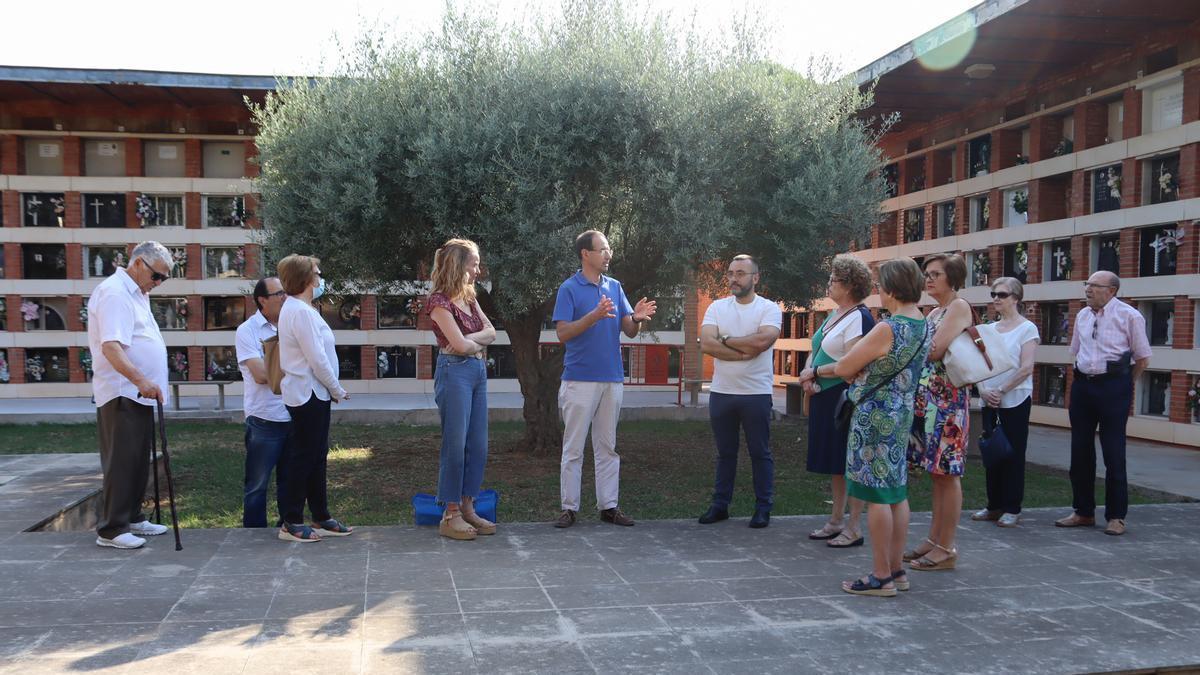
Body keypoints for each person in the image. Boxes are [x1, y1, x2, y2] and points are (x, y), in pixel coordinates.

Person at [818, 257, 928, 597]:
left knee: (876, 495)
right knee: (897, 493)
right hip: (902, 415)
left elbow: (846, 365)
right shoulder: (923, 324)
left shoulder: (888, 327)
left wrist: (816, 372)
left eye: (881, 285)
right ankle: (897, 570)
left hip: (874, 417)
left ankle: (880, 576)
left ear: (891, 289)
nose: (878, 291)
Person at [552, 230, 656, 528]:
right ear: (586, 254)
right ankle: (569, 508)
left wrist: (635, 318)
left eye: (609, 249)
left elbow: (628, 329)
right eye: (603, 249)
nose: (608, 254)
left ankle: (608, 507)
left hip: (612, 379)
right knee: (573, 447)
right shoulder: (569, 288)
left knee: (607, 446)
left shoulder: (615, 286)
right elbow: (563, 333)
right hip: (579, 380)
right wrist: (593, 317)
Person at [87, 241, 174, 549]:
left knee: (138, 458)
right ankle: (111, 529)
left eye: (163, 278)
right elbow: (111, 347)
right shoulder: (115, 293)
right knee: (122, 459)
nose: (158, 283)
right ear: (138, 263)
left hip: (138, 393)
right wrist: (140, 379)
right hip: (123, 390)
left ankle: (133, 516)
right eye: (157, 276)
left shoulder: (137, 293)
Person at [1056, 271, 1150, 536]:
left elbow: (1142, 359)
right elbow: (1075, 352)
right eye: (1087, 285)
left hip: (1114, 386)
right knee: (1080, 450)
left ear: (1111, 290)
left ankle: (1116, 516)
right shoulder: (1082, 316)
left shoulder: (1130, 316)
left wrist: (1124, 385)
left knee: (1113, 451)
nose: (1088, 290)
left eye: (1094, 286)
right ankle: (1083, 511)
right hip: (1083, 386)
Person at [696, 255, 782, 528]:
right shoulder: (717, 307)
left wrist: (727, 340)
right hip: (722, 393)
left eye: (741, 273)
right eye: (731, 273)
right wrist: (740, 354)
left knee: (760, 452)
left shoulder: (768, 308)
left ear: (755, 278)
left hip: (756, 393)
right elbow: (707, 345)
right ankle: (720, 506)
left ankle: (763, 508)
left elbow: (763, 341)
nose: (734, 278)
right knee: (725, 453)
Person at [275, 254, 353, 542]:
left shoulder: (302, 309)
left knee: (317, 456)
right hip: (308, 394)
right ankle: (291, 522)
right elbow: (317, 359)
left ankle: (321, 515)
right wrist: (336, 389)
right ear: (307, 279)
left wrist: (329, 389)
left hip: (314, 393)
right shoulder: (300, 312)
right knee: (303, 458)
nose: (321, 278)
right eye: (318, 273)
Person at [799, 254, 875, 547]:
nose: (829, 284)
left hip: (842, 398)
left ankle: (854, 526)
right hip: (823, 395)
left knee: (849, 462)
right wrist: (808, 376)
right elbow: (816, 346)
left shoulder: (859, 317)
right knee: (835, 464)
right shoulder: (837, 314)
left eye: (834, 279)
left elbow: (854, 364)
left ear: (851, 284)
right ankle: (835, 520)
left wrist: (815, 372)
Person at [425, 239, 497, 541]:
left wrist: (473, 341)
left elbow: (491, 332)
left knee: (478, 445)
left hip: (477, 372)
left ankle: (468, 506)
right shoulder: (438, 302)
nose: (478, 270)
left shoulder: (469, 297)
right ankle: (450, 513)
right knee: (455, 445)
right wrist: (476, 341)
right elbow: (460, 345)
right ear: (458, 265)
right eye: (473, 264)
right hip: (453, 372)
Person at [905, 253, 972, 572]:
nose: (928, 279)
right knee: (937, 474)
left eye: (935, 274)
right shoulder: (934, 311)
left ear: (953, 277)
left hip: (948, 404)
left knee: (948, 473)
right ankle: (934, 540)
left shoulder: (959, 307)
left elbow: (933, 351)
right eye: (926, 274)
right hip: (930, 402)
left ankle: (947, 546)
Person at [972, 277, 1039, 528]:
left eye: (1001, 294)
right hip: (990, 400)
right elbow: (977, 365)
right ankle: (993, 505)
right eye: (993, 294)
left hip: (1015, 399)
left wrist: (1000, 390)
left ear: (1015, 298)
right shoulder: (988, 329)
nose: (996, 299)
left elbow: (1026, 368)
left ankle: (1012, 507)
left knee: (1013, 454)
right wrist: (984, 390)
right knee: (992, 453)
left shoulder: (1027, 329)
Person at [235, 277, 290, 528]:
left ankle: (289, 526)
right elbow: (261, 375)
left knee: (290, 481)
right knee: (257, 484)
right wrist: (298, 374)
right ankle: (253, 535)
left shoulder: (290, 326)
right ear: (262, 300)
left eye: (284, 292)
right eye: (278, 293)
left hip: (293, 415)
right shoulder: (247, 331)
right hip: (264, 419)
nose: (284, 297)